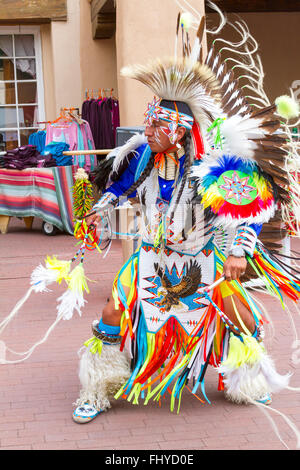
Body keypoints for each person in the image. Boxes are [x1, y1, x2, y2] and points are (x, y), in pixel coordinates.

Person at [72, 7, 300, 424]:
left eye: (158, 123)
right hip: (152, 258)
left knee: (242, 318)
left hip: (204, 257)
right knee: (110, 314)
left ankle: (243, 379)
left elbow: (249, 207)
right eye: (150, 120)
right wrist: (95, 211)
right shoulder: (143, 153)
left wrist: (238, 253)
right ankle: (99, 388)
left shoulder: (214, 163)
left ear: (179, 129)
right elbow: (117, 189)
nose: (148, 128)